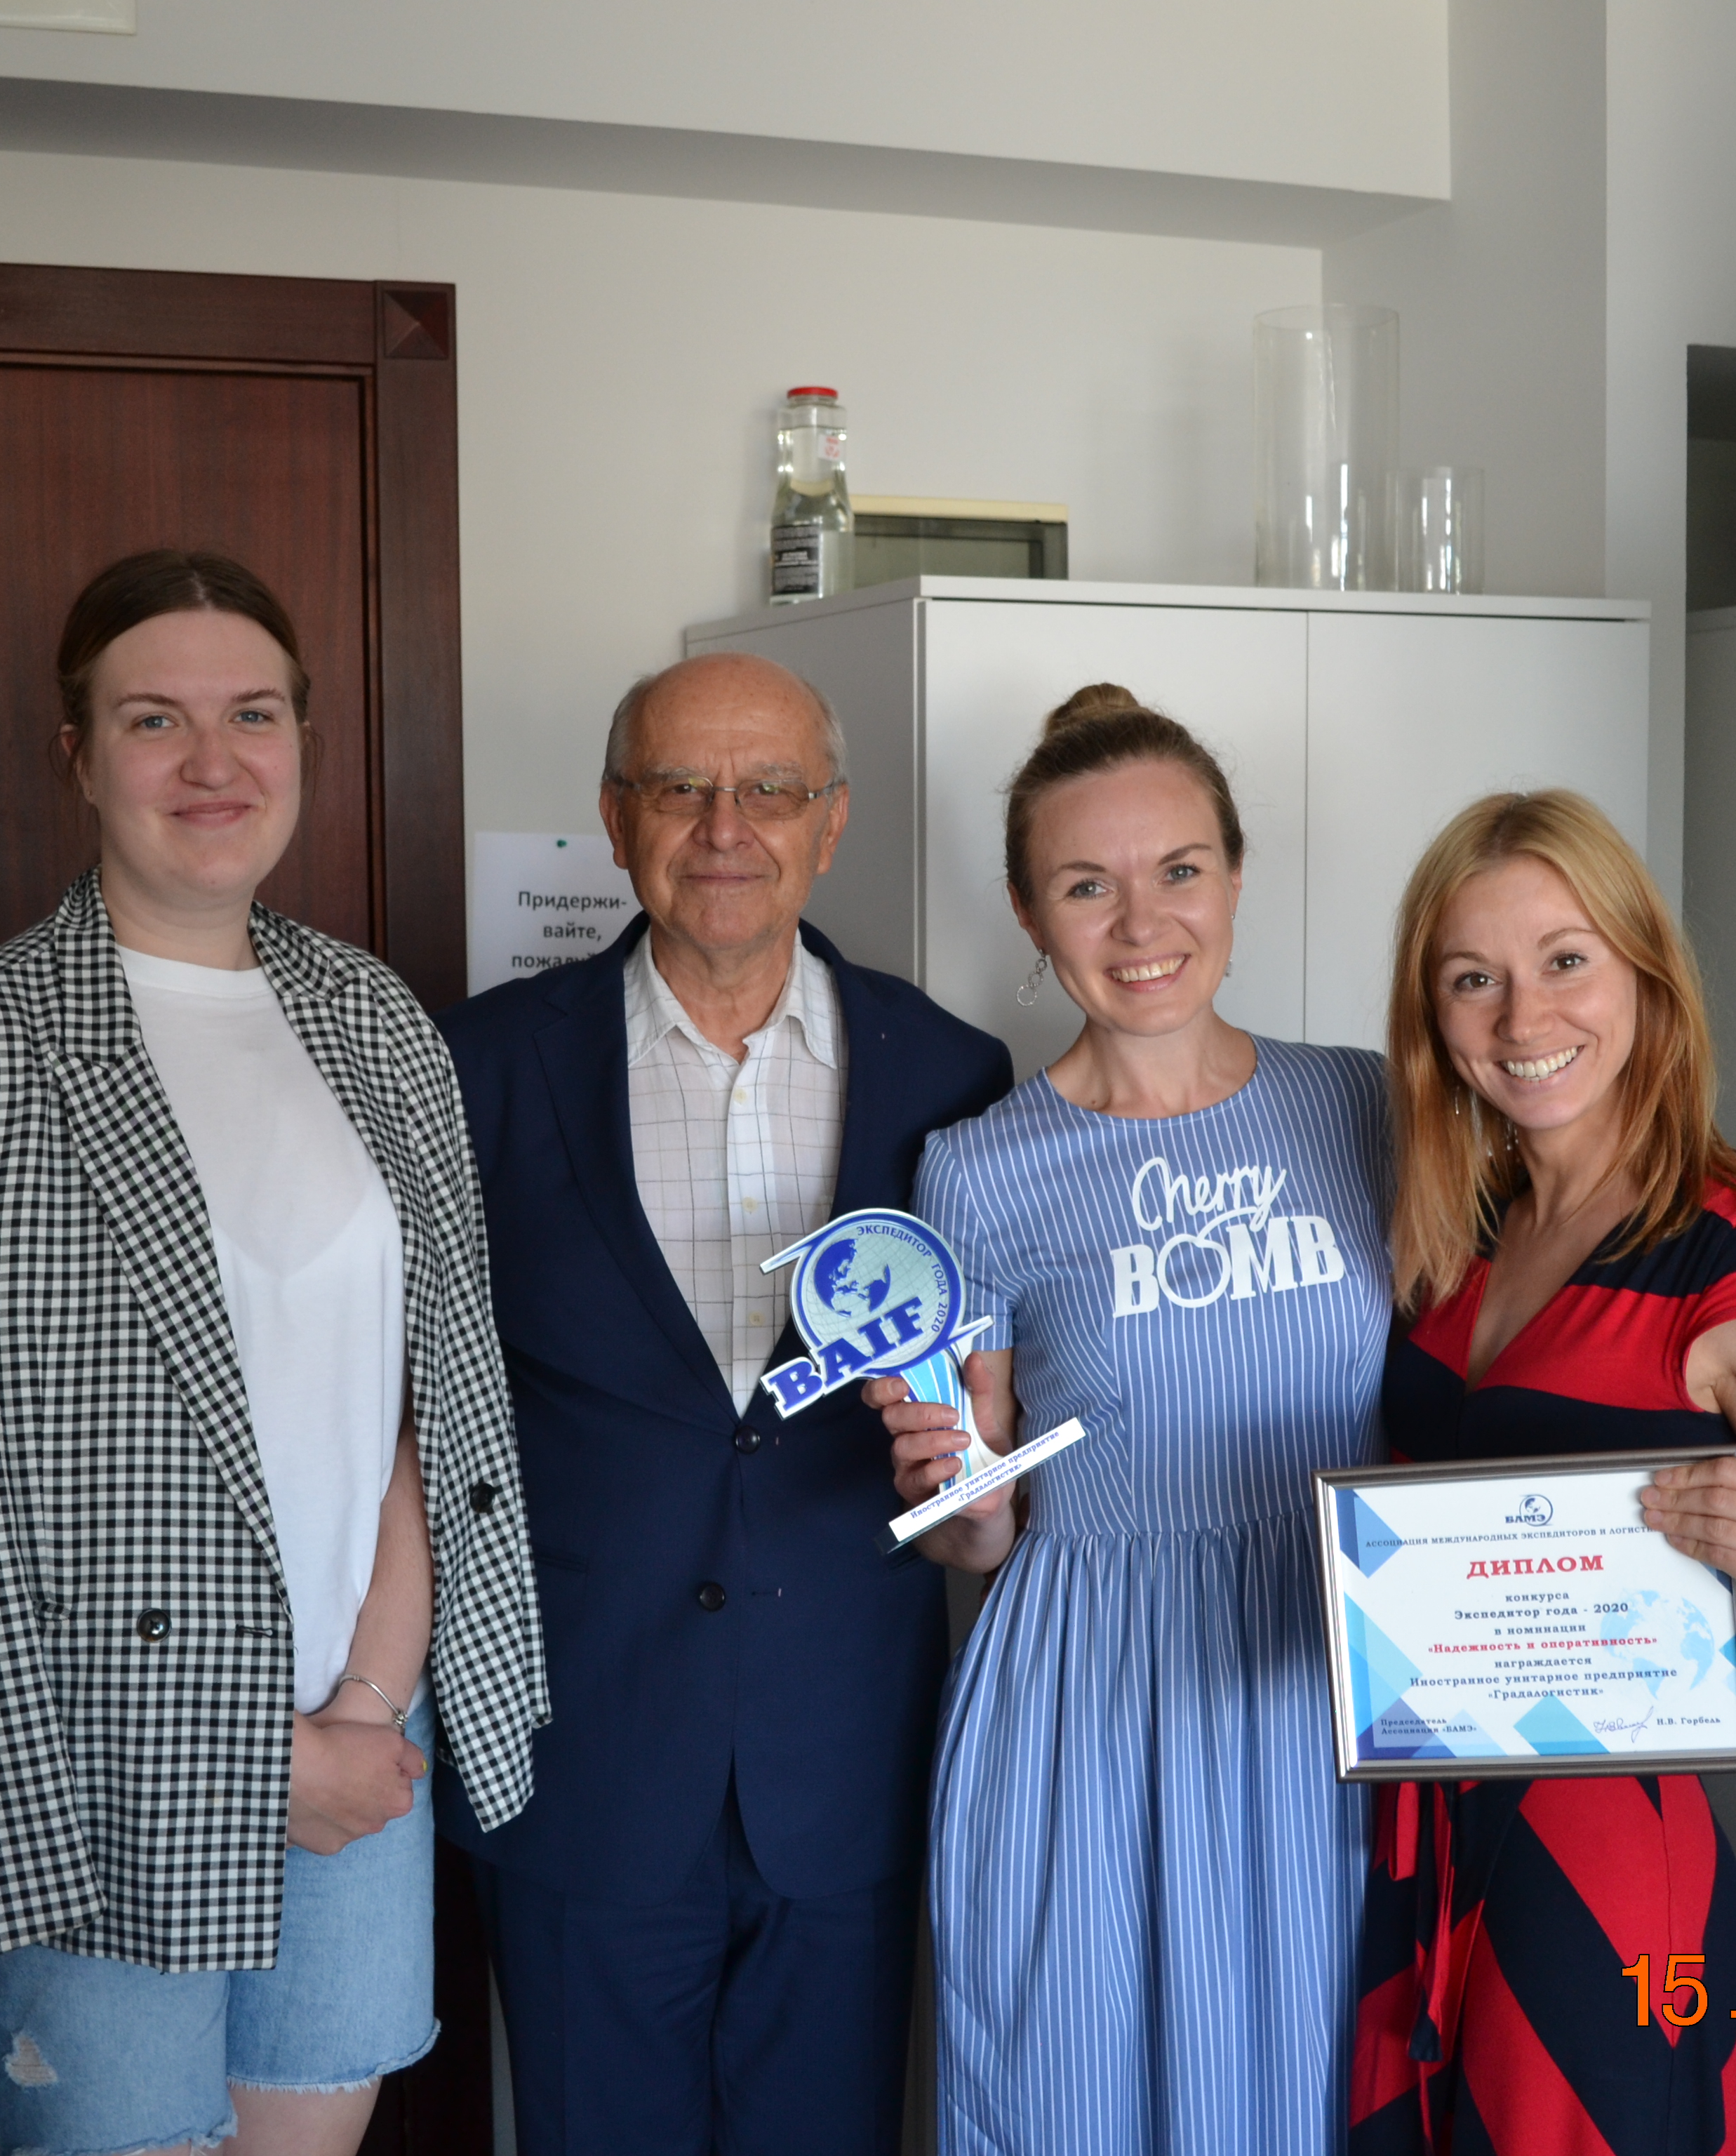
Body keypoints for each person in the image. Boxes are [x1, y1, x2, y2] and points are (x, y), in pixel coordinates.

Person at [0, 549, 546, 2156]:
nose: (215, 762)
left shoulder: (377, 1023)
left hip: (368, 1729)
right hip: (88, 1764)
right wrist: (250, 1760)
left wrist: (365, 1706)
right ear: (79, 756)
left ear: (302, 742)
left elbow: (430, 1401)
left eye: (254, 714)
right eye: (156, 719)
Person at [436, 651, 1012, 2155]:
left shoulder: (952, 1075)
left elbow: (984, 1394)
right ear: (615, 815)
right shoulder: (480, 1064)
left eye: (770, 789)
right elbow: (419, 1409)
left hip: (846, 1764)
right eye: (681, 786)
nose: (725, 827)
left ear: (832, 822)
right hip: (580, 1760)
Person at [1347, 789, 1736, 2156]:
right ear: (1432, 1016)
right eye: (1473, 979)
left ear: (1646, 980)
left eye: (1566, 961)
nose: (1522, 1019)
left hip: (1601, 1873)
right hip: (1417, 1845)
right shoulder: (1454, 1235)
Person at [870, 684, 1391, 2153]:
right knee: (1079, 2094)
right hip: (1090, 1695)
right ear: (1030, 916)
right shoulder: (977, 1169)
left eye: (1179, 871)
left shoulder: (1365, 1106)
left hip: (1326, 1676)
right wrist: (959, 1500)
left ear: (1235, 877)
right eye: (1087, 885)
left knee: (1312, 2085)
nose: (1141, 923)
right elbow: (979, 1530)